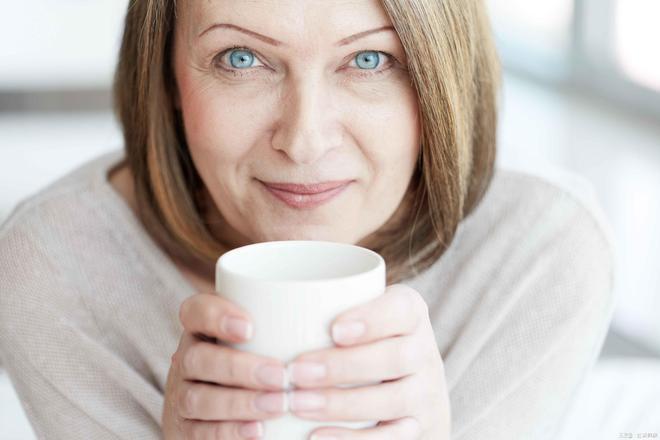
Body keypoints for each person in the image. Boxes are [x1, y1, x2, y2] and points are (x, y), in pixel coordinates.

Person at [0, 0, 616, 439]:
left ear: (441, 77)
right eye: (241, 57)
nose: (304, 141)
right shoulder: (57, 268)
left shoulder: (540, 257)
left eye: (370, 60)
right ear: (166, 77)